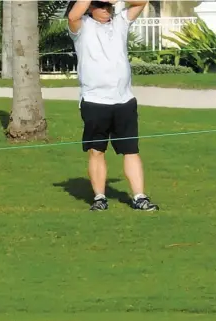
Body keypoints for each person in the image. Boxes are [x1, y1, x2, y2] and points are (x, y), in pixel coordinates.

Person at [67, 0, 159, 211]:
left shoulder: (120, 23)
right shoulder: (82, 27)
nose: (107, 9)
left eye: (109, 6)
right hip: (94, 101)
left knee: (131, 150)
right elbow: (72, 16)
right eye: (101, 5)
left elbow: (141, 2)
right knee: (96, 150)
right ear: (90, 7)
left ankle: (139, 197)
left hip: (124, 100)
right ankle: (100, 198)